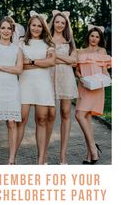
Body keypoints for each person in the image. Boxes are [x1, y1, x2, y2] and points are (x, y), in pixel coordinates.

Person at [17, 11, 56, 164]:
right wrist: (41, 62)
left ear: (43, 28)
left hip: (43, 84)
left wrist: (31, 62)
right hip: (25, 84)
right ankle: (12, 158)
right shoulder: (21, 42)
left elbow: (51, 62)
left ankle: (41, 160)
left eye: (39, 26)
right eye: (33, 25)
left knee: (42, 119)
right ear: (29, 26)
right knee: (21, 120)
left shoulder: (49, 44)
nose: (36, 28)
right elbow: (20, 65)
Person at [0, 16, 23, 164]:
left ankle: (11, 159)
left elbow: (19, 69)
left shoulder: (17, 49)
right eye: (3, 28)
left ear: (12, 30)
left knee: (12, 123)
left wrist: (0, 67)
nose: (6, 31)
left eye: (9, 28)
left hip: (12, 87)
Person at [75, 25, 111, 164]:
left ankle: (93, 149)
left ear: (100, 38)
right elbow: (77, 70)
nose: (94, 39)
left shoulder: (101, 51)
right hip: (84, 86)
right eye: (92, 36)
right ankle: (90, 152)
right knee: (86, 119)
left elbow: (104, 70)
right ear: (88, 37)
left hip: (96, 87)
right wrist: (80, 77)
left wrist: (107, 79)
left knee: (79, 115)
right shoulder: (81, 51)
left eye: (97, 36)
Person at [49, 10, 78, 164]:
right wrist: (65, 59)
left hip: (66, 78)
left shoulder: (69, 40)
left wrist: (56, 56)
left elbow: (73, 61)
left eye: (63, 22)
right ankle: (44, 154)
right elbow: (46, 59)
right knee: (50, 115)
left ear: (66, 24)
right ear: (53, 22)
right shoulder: (47, 39)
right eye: (57, 21)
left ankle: (63, 154)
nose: (59, 25)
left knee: (66, 113)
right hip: (49, 77)